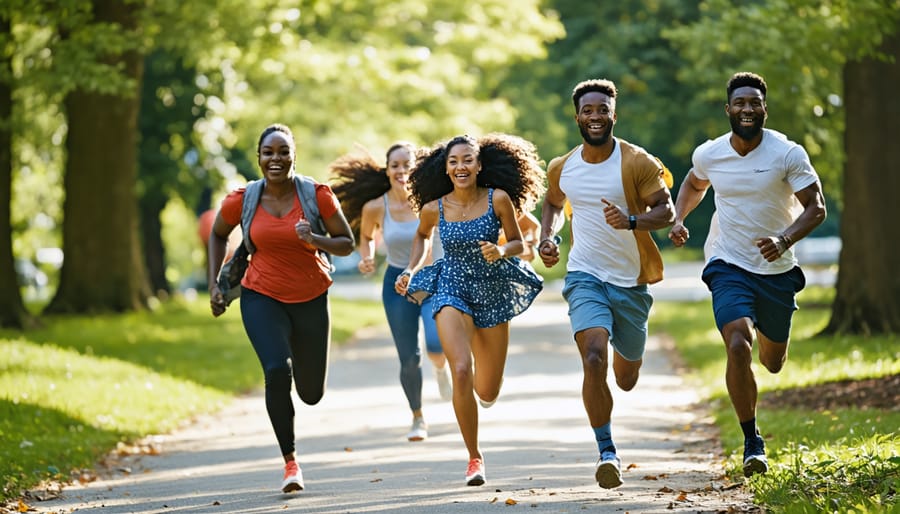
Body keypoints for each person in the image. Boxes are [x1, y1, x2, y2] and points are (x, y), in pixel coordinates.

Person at [668, 72, 826, 477]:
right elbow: (693, 182)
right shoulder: (711, 153)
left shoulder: (787, 153)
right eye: (740, 103)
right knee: (738, 342)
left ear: (764, 109)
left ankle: (772, 348)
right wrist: (680, 218)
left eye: (754, 103)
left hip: (776, 268)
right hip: (727, 262)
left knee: (772, 361)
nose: (747, 110)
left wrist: (785, 240)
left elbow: (816, 208)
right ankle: (752, 441)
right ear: (728, 109)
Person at [538, 78, 675, 489]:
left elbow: (665, 211)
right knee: (593, 355)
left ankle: (627, 356)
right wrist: (548, 235)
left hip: (631, 282)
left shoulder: (636, 161)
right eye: (588, 110)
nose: (595, 116)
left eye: (602, 109)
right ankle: (607, 451)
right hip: (585, 275)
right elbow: (553, 202)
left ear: (614, 114)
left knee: (626, 376)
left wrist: (631, 220)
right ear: (577, 115)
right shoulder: (563, 166)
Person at [207, 123, 355, 493]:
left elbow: (346, 243)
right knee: (276, 369)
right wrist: (214, 282)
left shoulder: (317, 196)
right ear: (258, 158)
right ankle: (290, 463)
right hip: (261, 295)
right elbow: (218, 234)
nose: (276, 159)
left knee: (310, 393)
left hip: (311, 297)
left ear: (294, 156)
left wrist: (314, 238)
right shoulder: (243, 199)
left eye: (283, 152)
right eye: (268, 152)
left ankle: (301, 410)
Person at [394, 133, 545, 486]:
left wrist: (502, 250)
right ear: (445, 168)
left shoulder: (499, 199)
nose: (460, 167)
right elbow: (421, 236)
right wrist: (410, 269)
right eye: (454, 161)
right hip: (452, 285)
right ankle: (474, 458)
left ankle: (486, 387)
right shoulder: (435, 207)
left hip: (491, 290)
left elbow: (519, 241)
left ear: (479, 166)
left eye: (467, 160)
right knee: (461, 369)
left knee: (487, 390)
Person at [330, 141, 452, 443]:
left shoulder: (432, 201)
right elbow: (366, 237)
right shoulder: (376, 206)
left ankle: (440, 367)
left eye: (407, 164)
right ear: (387, 171)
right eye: (395, 165)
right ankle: (418, 417)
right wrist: (368, 255)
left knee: (436, 345)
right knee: (409, 357)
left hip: (431, 279)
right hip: (397, 283)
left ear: (416, 168)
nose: (401, 170)